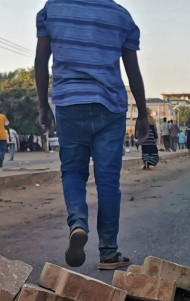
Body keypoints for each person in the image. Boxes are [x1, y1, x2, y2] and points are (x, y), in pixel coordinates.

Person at [35, 0, 147, 269]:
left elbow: (41, 60)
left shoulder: (53, 9)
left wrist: (42, 105)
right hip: (110, 106)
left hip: (69, 103)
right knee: (108, 180)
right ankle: (108, 252)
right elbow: (133, 71)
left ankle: (78, 224)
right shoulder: (121, 16)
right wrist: (143, 113)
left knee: (73, 171)